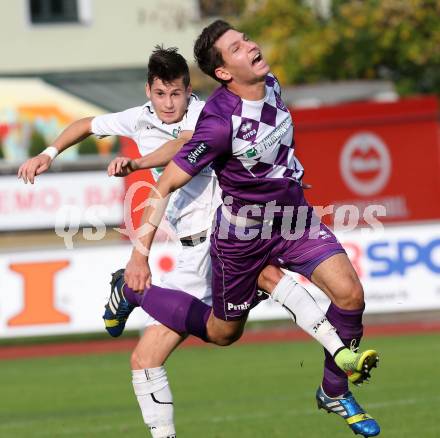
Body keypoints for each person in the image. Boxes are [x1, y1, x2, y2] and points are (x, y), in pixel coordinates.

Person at [17, 46, 366, 438]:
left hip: (228, 236)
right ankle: (337, 369)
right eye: (161, 94)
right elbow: (85, 123)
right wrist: (49, 153)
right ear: (148, 90)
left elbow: (182, 145)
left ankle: (338, 364)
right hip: (190, 250)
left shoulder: (206, 113)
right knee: (145, 358)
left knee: (244, 307)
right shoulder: (138, 118)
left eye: (177, 93)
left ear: (189, 91)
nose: (169, 103)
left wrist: (137, 163)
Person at [118, 21, 381, 438]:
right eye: (237, 48)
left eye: (246, 40)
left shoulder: (271, 83)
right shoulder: (218, 123)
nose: (251, 46)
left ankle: (334, 390)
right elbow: (166, 183)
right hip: (241, 238)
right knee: (223, 333)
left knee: (350, 294)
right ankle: (134, 291)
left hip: (292, 218)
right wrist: (139, 255)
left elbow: (271, 147)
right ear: (223, 72)